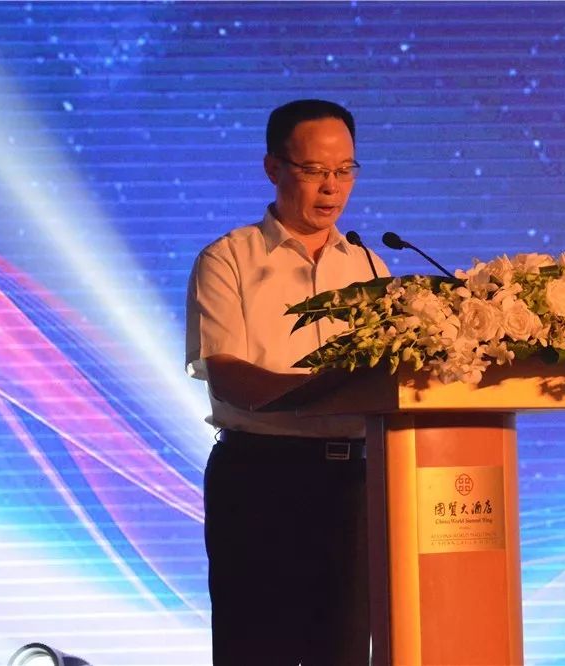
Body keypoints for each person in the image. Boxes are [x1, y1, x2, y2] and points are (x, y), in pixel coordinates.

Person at [185, 99, 388, 666]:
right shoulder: (227, 259)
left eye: (344, 170)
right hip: (259, 479)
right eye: (314, 170)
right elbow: (228, 376)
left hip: (353, 484)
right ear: (273, 167)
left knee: (344, 650)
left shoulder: (371, 268)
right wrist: (326, 389)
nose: (331, 187)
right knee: (256, 648)